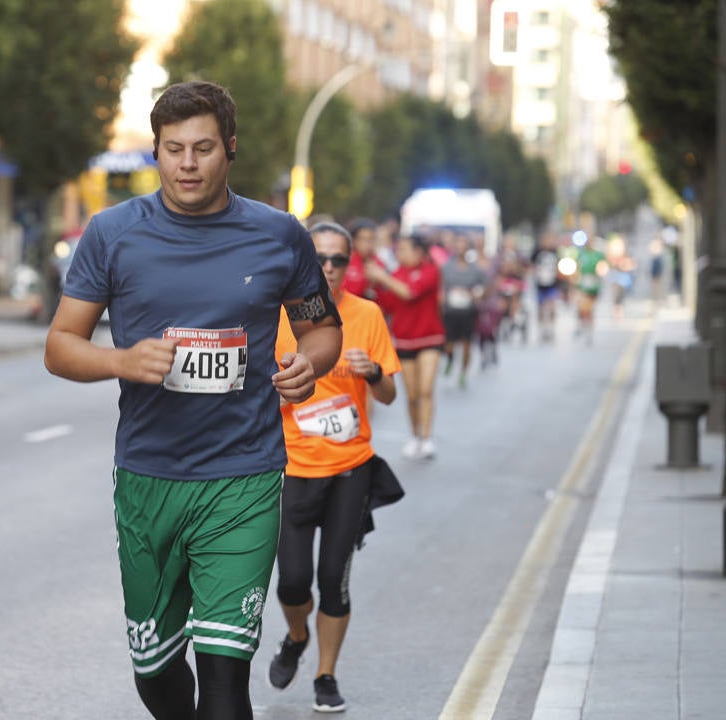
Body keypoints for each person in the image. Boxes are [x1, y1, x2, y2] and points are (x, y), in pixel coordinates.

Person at [43, 81, 343, 720]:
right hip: (148, 480)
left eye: (202, 148)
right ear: (156, 152)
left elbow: (322, 329)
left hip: (244, 477)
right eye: (172, 149)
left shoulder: (279, 235)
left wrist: (306, 365)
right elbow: (60, 347)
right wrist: (121, 361)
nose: (187, 163)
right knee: (155, 676)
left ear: (229, 149)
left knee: (226, 681)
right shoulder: (113, 233)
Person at [267, 221, 402, 713]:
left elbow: (387, 395)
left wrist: (374, 373)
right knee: (292, 582)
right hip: (295, 467)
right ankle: (297, 635)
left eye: (338, 259)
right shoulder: (280, 317)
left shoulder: (367, 315)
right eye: (319, 257)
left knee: (333, 580)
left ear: (351, 264)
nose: (328, 267)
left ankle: (326, 675)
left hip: (350, 468)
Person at [367, 234, 445, 459]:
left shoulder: (431, 270)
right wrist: (377, 285)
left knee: (426, 390)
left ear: (419, 252)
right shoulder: (396, 274)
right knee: (411, 395)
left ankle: (428, 438)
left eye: (404, 249)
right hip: (403, 340)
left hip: (430, 339)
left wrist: (382, 276)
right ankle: (415, 435)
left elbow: (409, 292)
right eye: (398, 250)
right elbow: (388, 304)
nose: (400, 254)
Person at [439, 233, 487, 388]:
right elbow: (440, 286)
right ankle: (450, 359)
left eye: (464, 245)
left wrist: (477, 294)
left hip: (468, 312)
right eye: (458, 245)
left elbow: (484, 287)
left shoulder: (475, 270)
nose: (461, 248)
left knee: (467, 344)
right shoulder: (446, 267)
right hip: (451, 311)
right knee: (449, 344)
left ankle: (463, 373)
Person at [531, 233, 561, 342]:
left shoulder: (555, 252)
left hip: (552, 284)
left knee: (551, 306)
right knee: (540, 308)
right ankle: (541, 329)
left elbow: (560, 266)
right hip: (540, 284)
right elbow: (531, 265)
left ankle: (551, 329)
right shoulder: (537, 252)